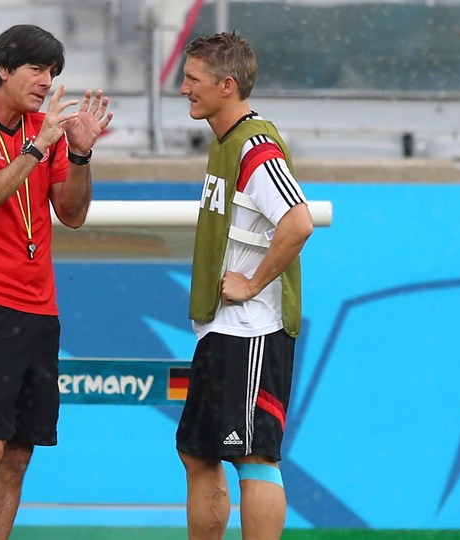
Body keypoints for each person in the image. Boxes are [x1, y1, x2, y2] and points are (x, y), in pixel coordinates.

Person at [0, 24, 113, 540]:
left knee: (16, 457)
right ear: (3, 68)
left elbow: (72, 215)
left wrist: (79, 155)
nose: (46, 80)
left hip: (40, 307)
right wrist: (36, 148)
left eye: (53, 71)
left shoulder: (47, 129)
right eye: (36, 69)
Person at [176, 32, 314, 540]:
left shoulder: (256, 146)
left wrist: (253, 283)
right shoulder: (227, 142)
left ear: (226, 85)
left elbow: (297, 222)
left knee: (255, 457)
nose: (184, 88)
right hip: (223, 329)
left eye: (193, 79)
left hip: (252, 330)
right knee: (197, 452)